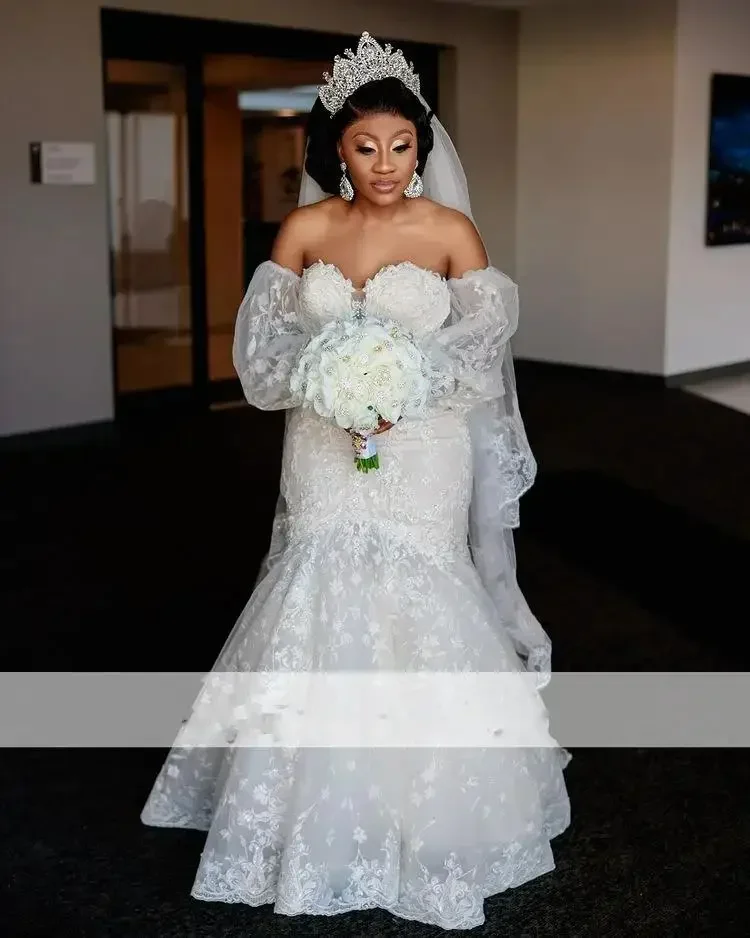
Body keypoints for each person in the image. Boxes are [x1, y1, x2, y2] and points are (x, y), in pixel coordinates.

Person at [141, 32, 571, 930]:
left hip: (424, 448)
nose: (384, 164)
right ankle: (304, 811)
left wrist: (403, 387)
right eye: (365, 146)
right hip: (322, 439)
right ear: (336, 146)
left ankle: (433, 809)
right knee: (317, 579)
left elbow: (483, 353)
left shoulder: (451, 232)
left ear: (422, 148)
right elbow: (263, 356)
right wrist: (330, 381)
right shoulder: (304, 231)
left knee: (422, 583)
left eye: (401, 146)